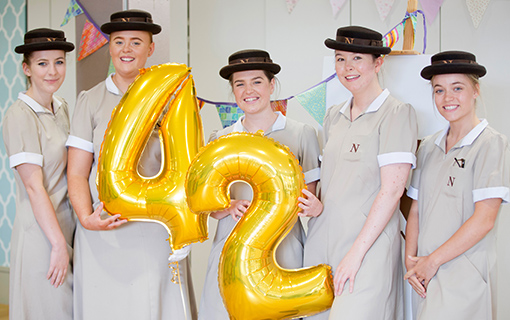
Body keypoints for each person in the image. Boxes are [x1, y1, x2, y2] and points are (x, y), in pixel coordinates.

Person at [66, 9, 196, 320]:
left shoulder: (171, 97)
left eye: (136, 42)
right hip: (104, 229)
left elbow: (187, 168)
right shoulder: (90, 100)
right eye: (119, 41)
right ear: (109, 47)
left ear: (150, 49)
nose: (126, 49)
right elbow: (77, 171)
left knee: (154, 306)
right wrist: (86, 218)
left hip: (155, 230)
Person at [303, 26, 418, 320]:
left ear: (378, 63)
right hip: (321, 243)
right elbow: (334, 181)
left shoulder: (396, 113)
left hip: (367, 249)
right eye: (340, 59)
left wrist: (355, 255)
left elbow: (392, 191)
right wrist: (316, 204)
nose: (348, 67)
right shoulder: (333, 117)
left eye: (357, 58)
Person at [198, 49, 322, 319]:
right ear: (232, 90)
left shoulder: (302, 134)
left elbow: (308, 200)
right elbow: (208, 207)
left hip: (284, 252)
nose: (248, 90)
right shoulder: (220, 140)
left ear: (271, 85)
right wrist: (227, 205)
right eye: (239, 84)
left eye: (256, 81)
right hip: (229, 253)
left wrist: (312, 206)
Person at [404, 51, 509, 319]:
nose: (447, 98)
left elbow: (484, 219)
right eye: (439, 90)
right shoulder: (428, 146)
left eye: (457, 88)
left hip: (463, 274)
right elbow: (416, 209)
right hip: (424, 275)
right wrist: (411, 260)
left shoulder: (490, 144)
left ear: (475, 90)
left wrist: (432, 262)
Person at [2, 28, 75, 319]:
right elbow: (34, 186)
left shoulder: (63, 107)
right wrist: (57, 244)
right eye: (42, 63)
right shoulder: (19, 116)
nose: (52, 71)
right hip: (42, 235)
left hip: (67, 226)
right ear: (27, 68)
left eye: (59, 61)